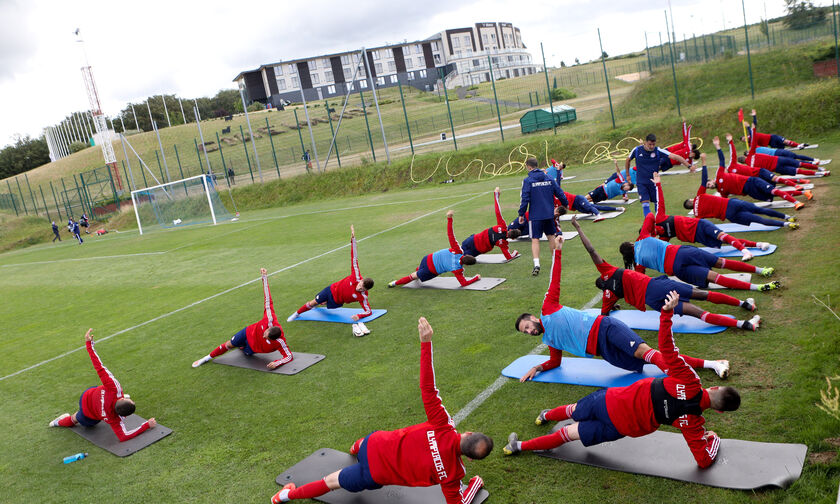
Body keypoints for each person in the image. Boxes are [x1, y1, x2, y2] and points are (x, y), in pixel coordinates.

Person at [503, 291, 740, 470]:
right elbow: (704, 460)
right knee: (570, 434)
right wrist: (713, 440)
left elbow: (667, 347)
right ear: (717, 413)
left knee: (573, 409)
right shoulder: (692, 424)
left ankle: (545, 415)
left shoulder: (690, 380)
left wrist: (667, 313)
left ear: (715, 387)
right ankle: (519, 445)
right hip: (619, 426)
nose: (529, 331)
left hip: (611, 401)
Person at [272, 317, 491, 503]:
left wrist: (426, 343)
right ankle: (283, 497)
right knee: (329, 482)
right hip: (374, 474)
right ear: (469, 459)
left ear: (468, 433)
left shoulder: (444, 424)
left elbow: (427, 387)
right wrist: (475, 483)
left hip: (372, 444)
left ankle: (356, 447)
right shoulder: (453, 474)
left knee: (367, 443)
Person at [514, 234, 729, 382]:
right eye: (526, 332)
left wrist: (558, 252)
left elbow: (555, 280)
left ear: (533, 317)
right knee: (649, 359)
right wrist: (537, 368)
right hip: (604, 351)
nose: (530, 331)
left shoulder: (548, 309)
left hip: (605, 329)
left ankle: (701, 370)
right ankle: (709, 364)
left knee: (646, 354)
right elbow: (555, 361)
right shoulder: (549, 340)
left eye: (528, 326)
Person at [572, 217, 761, 331]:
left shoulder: (610, 295)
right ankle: (743, 304)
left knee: (697, 312)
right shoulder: (610, 270)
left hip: (654, 301)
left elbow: (604, 315)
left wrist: (605, 314)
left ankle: (743, 324)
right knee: (703, 294)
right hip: (657, 285)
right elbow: (591, 250)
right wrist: (579, 229)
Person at [49, 329, 157, 441]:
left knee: (76, 418)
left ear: (120, 400)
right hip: (90, 413)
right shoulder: (113, 419)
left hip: (87, 397)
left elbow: (99, 367)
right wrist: (146, 425)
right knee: (75, 419)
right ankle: (56, 423)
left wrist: (89, 344)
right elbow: (124, 436)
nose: (133, 401)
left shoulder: (113, 387)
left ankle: (56, 422)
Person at [643, 169, 769, 261]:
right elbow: (662, 250)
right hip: (698, 238)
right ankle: (757, 244)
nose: (654, 231)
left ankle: (745, 251)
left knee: (723, 237)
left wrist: (657, 185)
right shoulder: (663, 237)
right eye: (652, 232)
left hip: (699, 225)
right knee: (724, 241)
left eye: (651, 229)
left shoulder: (659, 218)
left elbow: (660, 201)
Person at [192, 268, 292, 369]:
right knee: (230, 344)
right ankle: (206, 358)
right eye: (265, 334)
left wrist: (277, 363)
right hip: (248, 333)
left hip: (253, 348)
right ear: (269, 328)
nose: (263, 336)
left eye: (267, 338)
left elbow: (289, 356)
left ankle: (242, 347)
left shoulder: (280, 342)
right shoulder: (269, 318)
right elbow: (268, 298)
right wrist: (264, 277)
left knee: (245, 352)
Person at [288, 225, 375, 336]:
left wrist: (359, 316)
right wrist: (353, 240)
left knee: (326, 305)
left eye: (361, 288)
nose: (359, 287)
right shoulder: (356, 276)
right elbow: (354, 258)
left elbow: (368, 311)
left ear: (365, 290)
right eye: (360, 284)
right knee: (315, 301)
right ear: (361, 280)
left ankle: (322, 303)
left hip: (337, 302)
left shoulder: (363, 296)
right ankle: (297, 314)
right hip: (331, 290)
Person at [620, 235, 780, 292]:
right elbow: (650, 217)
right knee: (721, 263)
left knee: (713, 277)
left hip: (676, 268)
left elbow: (640, 278)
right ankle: (761, 270)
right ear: (631, 243)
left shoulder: (638, 261)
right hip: (682, 252)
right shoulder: (644, 238)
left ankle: (757, 288)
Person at [683, 162, 800, 231]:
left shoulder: (697, 214)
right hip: (732, 203)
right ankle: (787, 217)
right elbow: (704, 179)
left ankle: (787, 224)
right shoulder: (699, 195)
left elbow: (699, 225)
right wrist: (703, 162)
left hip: (730, 214)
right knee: (760, 210)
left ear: (691, 209)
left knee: (758, 220)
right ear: (691, 200)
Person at [709, 136, 810, 210]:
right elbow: (725, 201)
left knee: (776, 183)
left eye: (709, 183)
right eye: (708, 186)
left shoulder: (728, 168)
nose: (710, 186)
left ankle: (797, 191)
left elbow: (731, 155)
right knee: (773, 194)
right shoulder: (722, 190)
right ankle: (802, 192)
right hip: (751, 190)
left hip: (756, 177)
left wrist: (729, 142)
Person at [390, 211, 480, 288]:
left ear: (467, 255)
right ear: (467, 265)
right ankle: (394, 283)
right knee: (414, 276)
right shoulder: (458, 270)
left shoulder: (458, 250)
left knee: (419, 271)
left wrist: (449, 218)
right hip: (430, 270)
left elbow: (450, 235)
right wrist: (476, 278)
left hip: (427, 258)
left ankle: (418, 270)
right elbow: (464, 283)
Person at [518, 157, 570, 275]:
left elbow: (525, 198)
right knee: (551, 237)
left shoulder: (528, 181)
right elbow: (559, 192)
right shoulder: (549, 177)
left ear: (529, 167)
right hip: (548, 214)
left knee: (535, 239)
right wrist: (565, 203)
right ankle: (554, 261)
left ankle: (537, 264)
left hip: (535, 215)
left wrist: (521, 213)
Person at [625, 133, 691, 217]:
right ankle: (649, 224)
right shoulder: (637, 150)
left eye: (653, 144)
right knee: (645, 204)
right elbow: (627, 160)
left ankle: (658, 222)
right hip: (641, 182)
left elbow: (675, 156)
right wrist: (628, 175)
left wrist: (688, 165)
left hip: (654, 182)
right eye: (650, 144)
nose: (652, 146)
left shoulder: (658, 150)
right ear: (645, 142)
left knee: (657, 203)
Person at [460, 187, 521, 260]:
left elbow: (497, 211)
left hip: (473, 239)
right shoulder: (503, 243)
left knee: (460, 249)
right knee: (462, 258)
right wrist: (515, 252)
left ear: (511, 229)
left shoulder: (502, 226)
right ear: (513, 238)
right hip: (478, 249)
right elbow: (508, 257)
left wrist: (496, 195)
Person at [741, 108, 809, 149]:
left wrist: (754, 116)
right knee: (783, 147)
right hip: (770, 144)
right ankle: (797, 146)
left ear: (746, 136)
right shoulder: (750, 143)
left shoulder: (751, 135)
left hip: (772, 137)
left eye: (744, 138)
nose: (745, 139)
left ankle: (799, 145)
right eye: (744, 140)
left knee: (785, 141)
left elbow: (754, 127)